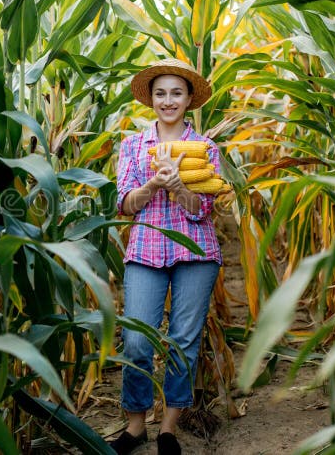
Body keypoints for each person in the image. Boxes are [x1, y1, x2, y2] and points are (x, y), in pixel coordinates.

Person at [111, 58, 222, 455]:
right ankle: (136, 423)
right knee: (138, 339)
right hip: (145, 250)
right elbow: (125, 203)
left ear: (190, 99)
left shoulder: (205, 149)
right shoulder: (133, 145)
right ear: (151, 99)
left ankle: (169, 429)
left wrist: (180, 188)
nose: (168, 100)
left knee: (182, 342)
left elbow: (203, 210)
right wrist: (155, 185)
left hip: (196, 253)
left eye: (177, 93)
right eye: (161, 93)